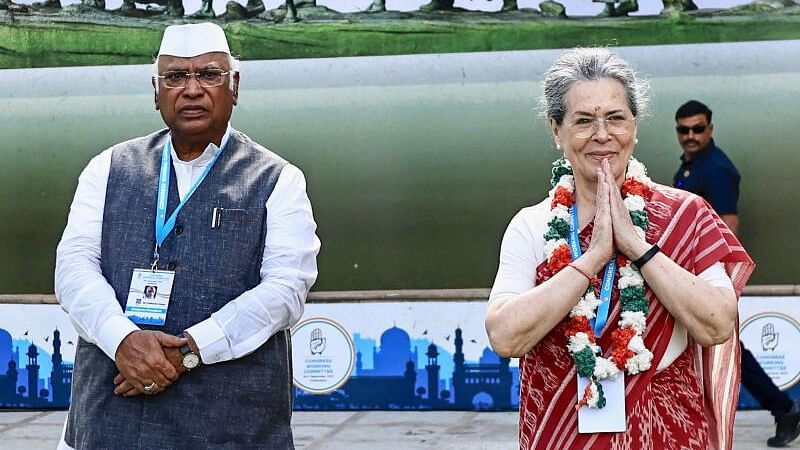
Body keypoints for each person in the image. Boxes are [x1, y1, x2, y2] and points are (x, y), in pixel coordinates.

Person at [55, 22, 320, 449]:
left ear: (234, 85)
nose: (192, 89)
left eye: (209, 75)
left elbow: (285, 290)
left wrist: (190, 350)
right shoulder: (107, 168)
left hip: (229, 427)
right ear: (155, 91)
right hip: (109, 423)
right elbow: (73, 267)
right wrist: (121, 339)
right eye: (176, 77)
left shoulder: (278, 179)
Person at [485, 47, 754, 449]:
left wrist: (638, 247)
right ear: (555, 130)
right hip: (564, 431)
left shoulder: (685, 214)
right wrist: (592, 258)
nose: (602, 135)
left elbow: (717, 324)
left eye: (615, 118)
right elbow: (505, 336)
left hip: (667, 431)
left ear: (635, 125)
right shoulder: (532, 225)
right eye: (583, 121)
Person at [673, 100, 800, 447]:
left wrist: (715, 280)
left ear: (710, 129)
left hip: (707, 277)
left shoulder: (716, 168)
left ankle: (784, 407)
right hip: (689, 277)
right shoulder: (689, 167)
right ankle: (780, 408)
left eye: (698, 128)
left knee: (726, 348)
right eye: (684, 130)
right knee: (713, 348)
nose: (691, 135)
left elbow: (728, 225)